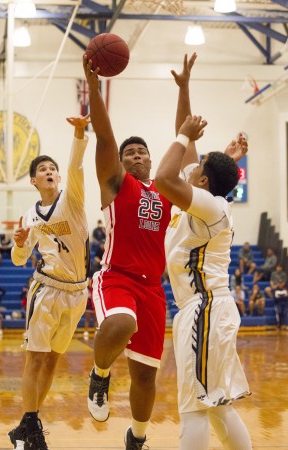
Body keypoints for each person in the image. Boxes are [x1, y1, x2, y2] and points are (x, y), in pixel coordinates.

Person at [154, 58, 252, 449]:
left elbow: (164, 176)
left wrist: (179, 136)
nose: (190, 166)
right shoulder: (209, 199)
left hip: (205, 307)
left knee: (195, 407)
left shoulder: (208, 205)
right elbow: (192, 147)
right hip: (208, 308)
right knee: (215, 404)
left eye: (199, 167)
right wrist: (184, 88)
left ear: (204, 180)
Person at [83, 53, 172, 449]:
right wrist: (92, 82)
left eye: (142, 152)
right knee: (121, 325)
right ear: (119, 163)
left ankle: (136, 438)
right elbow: (104, 136)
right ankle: (100, 373)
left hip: (153, 288)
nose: (136, 155)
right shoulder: (117, 184)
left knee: (146, 376)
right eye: (129, 153)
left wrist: (183, 89)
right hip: (116, 276)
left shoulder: (166, 189)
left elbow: (185, 145)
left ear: (150, 159)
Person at [8, 115, 91, 450]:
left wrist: (79, 132)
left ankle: (27, 425)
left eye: (52, 168)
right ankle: (32, 426)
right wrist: (17, 242)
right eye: (42, 169)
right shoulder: (29, 217)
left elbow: (76, 163)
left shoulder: (72, 199)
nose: (50, 171)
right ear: (33, 180)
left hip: (78, 292)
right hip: (47, 289)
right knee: (36, 358)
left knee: (54, 359)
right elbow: (18, 259)